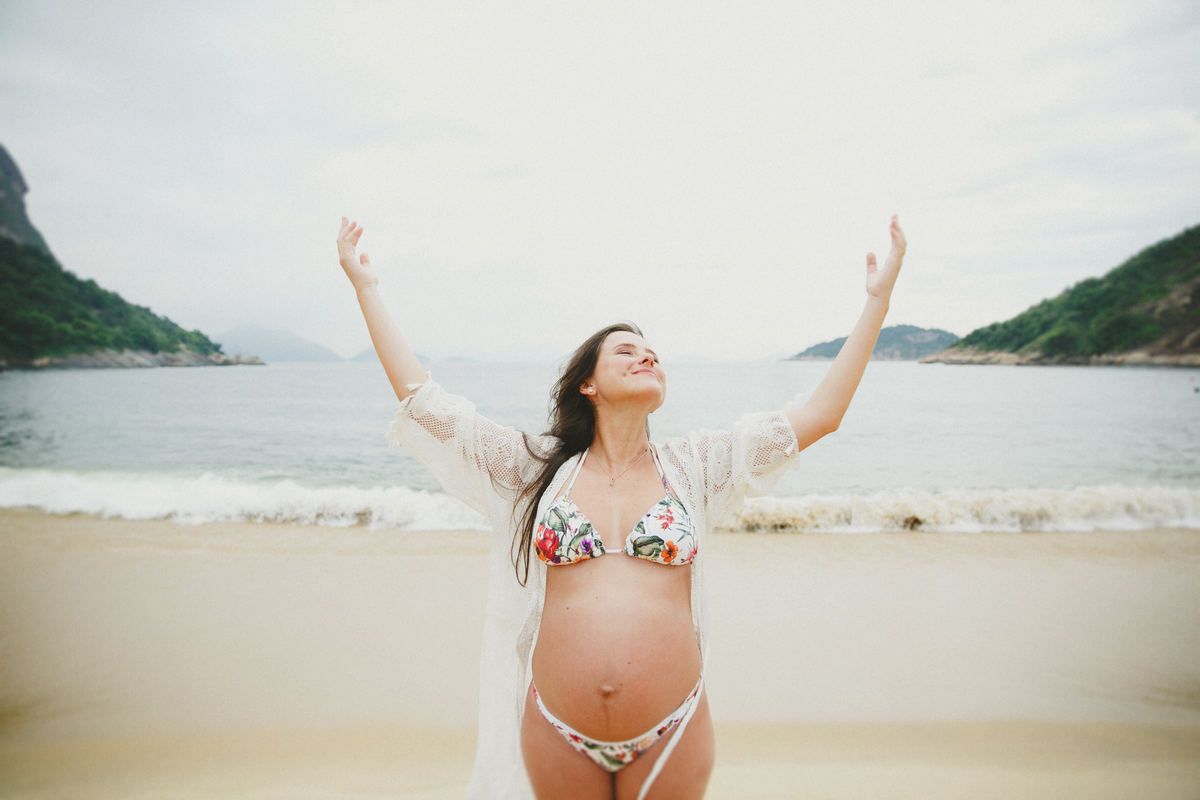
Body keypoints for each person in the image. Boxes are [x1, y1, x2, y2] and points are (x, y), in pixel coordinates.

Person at [336, 214, 906, 799]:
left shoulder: (698, 467)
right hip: (558, 728)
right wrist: (367, 288)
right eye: (627, 351)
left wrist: (877, 303)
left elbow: (821, 415)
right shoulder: (536, 469)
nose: (647, 358)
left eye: (653, 353)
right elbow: (424, 404)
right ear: (587, 383)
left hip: (671, 729)